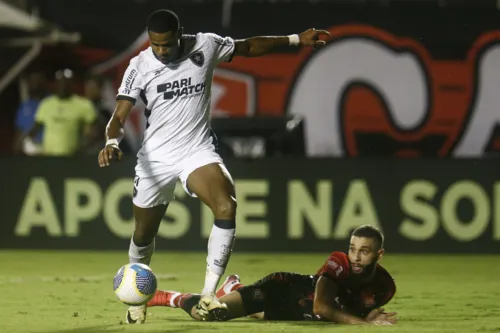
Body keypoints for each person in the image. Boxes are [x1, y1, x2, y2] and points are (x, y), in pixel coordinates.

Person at [96, 8, 331, 324]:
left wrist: (294, 39)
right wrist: (111, 143)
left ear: (180, 35)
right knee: (143, 233)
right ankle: (138, 299)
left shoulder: (205, 45)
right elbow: (119, 117)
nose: (161, 51)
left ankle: (208, 294)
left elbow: (249, 46)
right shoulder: (139, 66)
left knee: (226, 205)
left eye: (167, 44)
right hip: (155, 159)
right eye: (155, 45)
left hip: (196, 150)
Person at [147, 225, 398, 325]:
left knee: (249, 310)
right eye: (353, 249)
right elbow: (322, 306)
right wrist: (365, 323)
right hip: (282, 290)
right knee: (211, 314)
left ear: (379, 254)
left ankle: (234, 288)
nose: (355, 256)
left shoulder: (385, 287)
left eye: (364, 252)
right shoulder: (339, 262)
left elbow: (347, 305)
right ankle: (171, 297)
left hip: (296, 313)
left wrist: (367, 314)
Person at [20, 69, 98, 156]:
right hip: (49, 158)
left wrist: (82, 148)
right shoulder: (46, 104)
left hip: (73, 159)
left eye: (67, 82)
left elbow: (94, 132)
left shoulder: (84, 105)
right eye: (61, 82)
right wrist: (29, 143)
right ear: (56, 84)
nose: (64, 85)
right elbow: (35, 128)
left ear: (72, 84)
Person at [13, 70, 48, 155]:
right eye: (32, 81)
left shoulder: (51, 102)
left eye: (37, 80)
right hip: (28, 153)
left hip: (48, 151)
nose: (35, 84)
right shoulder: (24, 106)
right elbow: (19, 130)